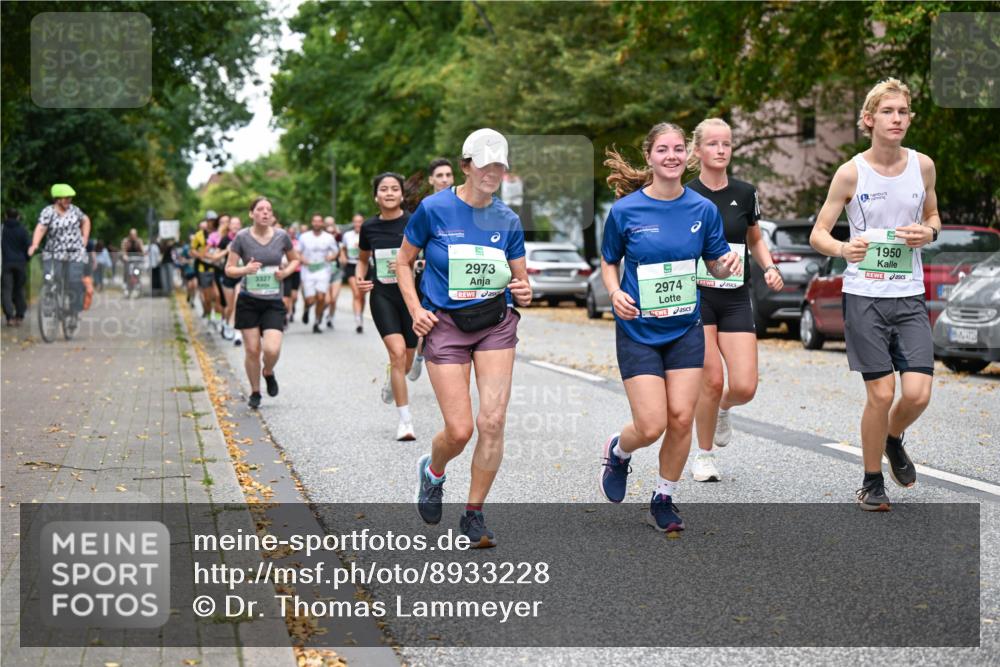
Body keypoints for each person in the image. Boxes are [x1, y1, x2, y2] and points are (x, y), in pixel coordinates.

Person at [597, 123, 741, 534]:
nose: (672, 156)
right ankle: (619, 452)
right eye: (663, 149)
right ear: (649, 156)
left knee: (680, 418)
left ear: (687, 155)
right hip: (638, 329)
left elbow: (714, 262)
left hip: (684, 328)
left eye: (678, 148)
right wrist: (614, 292)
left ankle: (663, 497)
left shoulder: (702, 210)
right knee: (650, 424)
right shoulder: (626, 211)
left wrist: (724, 266)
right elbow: (609, 260)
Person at [809, 78, 939, 512]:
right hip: (864, 295)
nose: (897, 118)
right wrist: (843, 249)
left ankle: (891, 437)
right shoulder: (851, 173)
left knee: (917, 393)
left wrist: (929, 232)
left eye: (903, 112)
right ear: (869, 119)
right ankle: (871, 482)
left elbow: (933, 215)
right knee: (881, 394)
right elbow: (818, 234)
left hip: (909, 294)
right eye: (888, 111)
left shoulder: (923, 166)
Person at [401, 129, 532, 548]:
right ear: (465, 166)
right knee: (459, 431)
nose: (492, 173)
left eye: (499, 166)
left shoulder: (507, 220)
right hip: (445, 325)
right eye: (484, 164)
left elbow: (521, 280)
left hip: (495, 323)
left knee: (492, 421)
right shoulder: (433, 209)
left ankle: (474, 512)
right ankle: (433, 471)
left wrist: (524, 291)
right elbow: (403, 262)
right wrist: (416, 310)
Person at [686, 118, 783, 482]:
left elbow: (754, 238)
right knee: (711, 380)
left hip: (735, 296)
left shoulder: (745, 193)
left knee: (744, 386)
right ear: (698, 150)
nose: (721, 150)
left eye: (726, 143)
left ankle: (723, 408)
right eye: (713, 144)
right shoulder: (685, 195)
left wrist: (769, 267)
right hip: (698, 296)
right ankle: (704, 456)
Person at [356, 173, 420, 440]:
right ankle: (405, 422)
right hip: (382, 295)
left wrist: (412, 264)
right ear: (376, 196)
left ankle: (393, 377)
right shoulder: (369, 227)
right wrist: (360, 278)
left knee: (406, 361)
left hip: (411, 297)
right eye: (384, 189)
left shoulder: (414, 222)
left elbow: (427, 255)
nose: (390, 193)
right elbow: (362, 260)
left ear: (402, 195)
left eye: (395, 188)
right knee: (397, 354)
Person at [226, 197, 300, 409]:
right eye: (260, 209)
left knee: (271, 349)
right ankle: (255, 391)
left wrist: (285, 272)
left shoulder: (281, 236)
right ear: (251, 214)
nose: (265, 212)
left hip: (273, 302)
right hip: (248, 300)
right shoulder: (241, 237)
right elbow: (229, 268)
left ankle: (268, 371)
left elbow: (295, 259)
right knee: (252, 350)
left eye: (269, 209)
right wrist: (245, 270)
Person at [406, 158, 457, 383]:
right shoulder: (427, 207)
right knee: (429, 324)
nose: (445, 179)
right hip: (430, 276)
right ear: (431, 180)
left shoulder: (463, 204)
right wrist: (419, 262)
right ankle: (419, 356)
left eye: (448, 175)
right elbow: (411, 246)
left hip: (460, 276)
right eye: (439, 176)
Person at [28, 184, 91, 319]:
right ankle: (49, 302)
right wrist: (35, 244)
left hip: (75, 252)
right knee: (49, 277)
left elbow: (85, 220)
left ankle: (74, 312)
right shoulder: (48, 212)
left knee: (74, 280)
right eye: (66, 198)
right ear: (57, 199)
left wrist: (85, 237)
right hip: (54, 252)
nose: (69, 200)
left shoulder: (75, 210)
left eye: (70, 198)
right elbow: (41, 228)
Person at [299, 214, 339, 334]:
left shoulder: (329, 237)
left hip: (323, 270)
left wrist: (331, 257)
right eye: (314, 221)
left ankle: (316, 322)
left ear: (322, 223)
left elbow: (336, 252)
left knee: (321, 297)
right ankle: (307, 307)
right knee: (310, 299)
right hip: (308, 270)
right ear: (312, 223)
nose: (317, 223)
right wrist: (302, 259)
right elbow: (297, 252)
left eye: (319, 221)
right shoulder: (304, 237)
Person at [2, 209, 30, 325]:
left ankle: (9, 317)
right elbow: (28, 247)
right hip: (20, 263)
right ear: (18, 217)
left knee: (6, 290)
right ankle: (19, 315)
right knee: (19, 289)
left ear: (5, 216)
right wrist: (26, 259)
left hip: (6, 263)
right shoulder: (22, 230)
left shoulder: (2, 229)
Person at [219, 216, 244, 342]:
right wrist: (226, 251)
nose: (235, 226)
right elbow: (216, 256)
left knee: (237, 303)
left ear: (240, 225)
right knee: (229, 307)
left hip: (240, 274)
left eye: (237, 223)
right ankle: (226, 323)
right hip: (228, 275)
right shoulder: (224, 239)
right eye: (233, 224)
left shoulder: (244, 238)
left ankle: (237, 332)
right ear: (229, 226)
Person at [340, 213, 366, 333]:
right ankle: (358, 320)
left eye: (360, 221)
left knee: (362, 295)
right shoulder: (347, 235)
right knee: (356, 293)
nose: (357, 224)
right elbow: (343, 248)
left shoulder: (367, 233)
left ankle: (360, 314)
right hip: (351, 265)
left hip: (365, 265)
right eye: (355, 221)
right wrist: (343, 256)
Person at [191, 214, 219, 321]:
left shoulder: (219, 233)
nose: (211, 222)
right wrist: (201, 255)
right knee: (207, 297)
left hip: (217, 267)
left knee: (217, 295)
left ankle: (219, 319)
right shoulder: (198, 235)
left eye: (214, 220)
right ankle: (208, 314)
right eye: (210, 220)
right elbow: (192, 250)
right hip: (203, 268)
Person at [282, 223, 302, 323]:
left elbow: (300, 256)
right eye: (289, 232)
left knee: (294, 296)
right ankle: (288, 314)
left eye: (293, 232)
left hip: (296, 271)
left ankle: (292, 307)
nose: (291, 234)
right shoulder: (282, 243)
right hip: (286, 272)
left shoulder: (299, 243)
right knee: (286, 296)